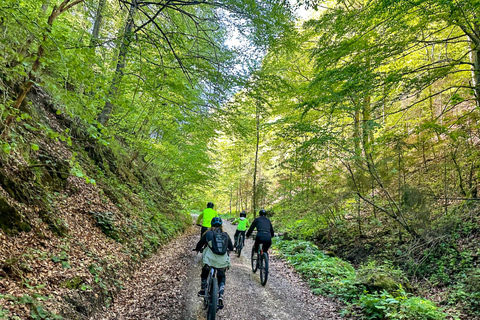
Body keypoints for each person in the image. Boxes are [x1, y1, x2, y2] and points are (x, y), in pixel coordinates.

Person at [194, 217, 233, 309]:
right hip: (222, 263)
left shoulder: (208, 233)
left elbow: (200, 244)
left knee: (204, 272)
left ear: (211, 225)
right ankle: (220, 295)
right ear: (221, 226)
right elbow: (231, 248)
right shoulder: (225, 235)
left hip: (209, 261)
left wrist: (197, 249)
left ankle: (203, 289)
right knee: (222, 276)